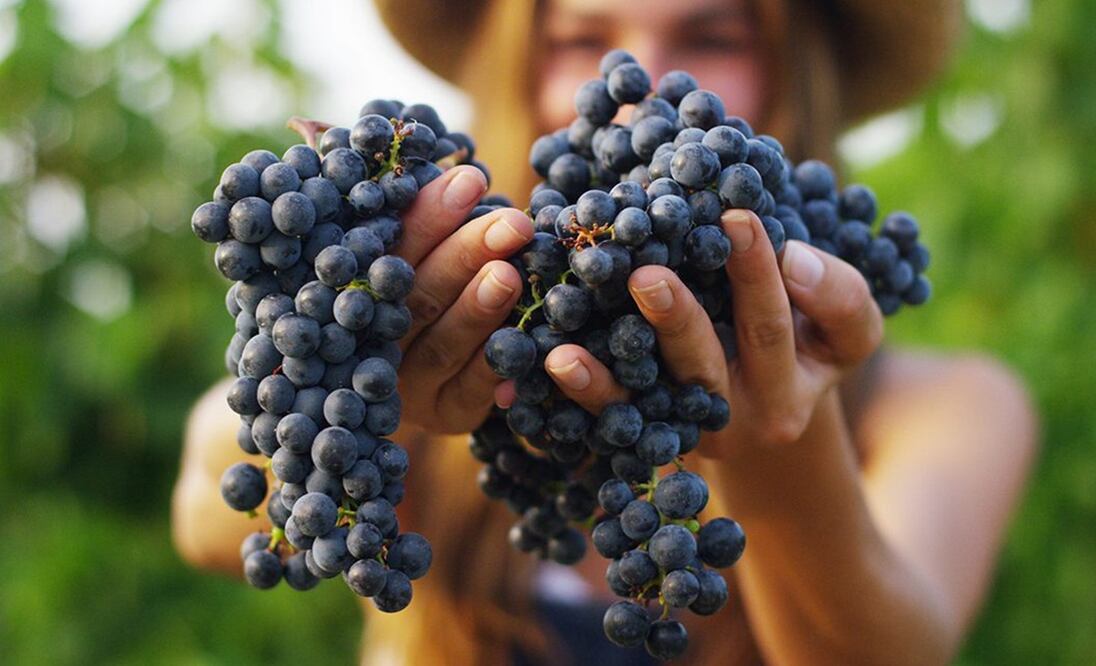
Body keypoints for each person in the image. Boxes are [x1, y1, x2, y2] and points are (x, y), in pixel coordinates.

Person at [173, 0, 1039, 663]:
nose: (642, 87)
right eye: (581, 39)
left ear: (795, 71)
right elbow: (209, 505)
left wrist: (778, 434)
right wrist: (380, 389)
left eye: (711, 38)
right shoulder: (460, 321)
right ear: (514, 61)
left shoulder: (949, 403)